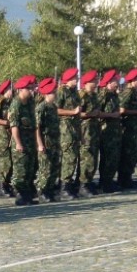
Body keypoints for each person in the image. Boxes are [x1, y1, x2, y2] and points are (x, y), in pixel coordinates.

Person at [9, 75, 38, 205]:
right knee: (20, 169)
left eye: (32, 88)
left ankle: (27, 194)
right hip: (20, 140)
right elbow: (14, 126)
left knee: (30, 168)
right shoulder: (16, 104)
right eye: (29, 89)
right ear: (21, 90)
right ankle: (20, 195)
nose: (32, 91)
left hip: (30, 140)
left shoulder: (31, 102)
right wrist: (18, 143)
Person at [56, 68, 82, 200]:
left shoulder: (74, 92)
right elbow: (56, 109)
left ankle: (68, 184)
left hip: (74, 127)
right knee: (68, 156)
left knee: (73, 156)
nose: (77, 79)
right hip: (65, 128)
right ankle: (64, 186)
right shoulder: (62, 91)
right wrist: (72, 112)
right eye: (75, 78)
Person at [35, 77, 60, 203]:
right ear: (46, 94)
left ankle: (49, 189)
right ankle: (42, 191)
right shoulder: (41, 108)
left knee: (54, 167)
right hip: (45, 141)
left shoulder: (53, 107)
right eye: (53, 93)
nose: (55, 95)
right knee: (45, 167)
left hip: (54, 141)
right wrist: (40, 144)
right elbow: (37, 128)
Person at [118, 68, 137, 189]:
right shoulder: (128, 92)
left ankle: (128, 177)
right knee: (128, 153)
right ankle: (123, 179)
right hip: (128, 127)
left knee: (133, 153)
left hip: (135, 127)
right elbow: (122, 110)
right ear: (133, 80)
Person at [98, 70, 122, 193]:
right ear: (109, 82)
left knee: (113, 157)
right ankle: (104, 183)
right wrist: (111, 115)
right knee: (107, 157)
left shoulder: (114, 95)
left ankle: (109, 180)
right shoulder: (103, 95)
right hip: (106, 131)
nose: (117, 83)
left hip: (115, 131)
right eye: (115, 81)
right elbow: (97, 112)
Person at [78, 70, 101, 196]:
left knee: (93, 156)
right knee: (86, 156)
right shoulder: (83, 95)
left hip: (94, 129)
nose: (97, 82)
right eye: (94, 80)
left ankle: (89, 181)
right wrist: (91, 114)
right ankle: (83, 184)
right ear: (87, 82)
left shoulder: (93, 95)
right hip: (85, 129)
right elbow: (78, 113)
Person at [0, 80, 15, 198]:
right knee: (5, 160)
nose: (11, 91)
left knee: (11, 160)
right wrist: (7, 122)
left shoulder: (12, 102)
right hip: (3, 133)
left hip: (11, 132)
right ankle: (2, 186)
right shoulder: (0, 102)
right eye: (9, 89)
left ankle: (7, 184)